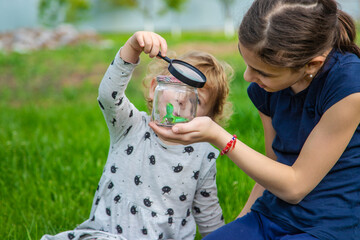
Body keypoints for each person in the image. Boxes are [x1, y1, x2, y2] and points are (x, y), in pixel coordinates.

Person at [149, 0, 360, 239]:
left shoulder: (349, 87)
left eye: (262, 72)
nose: (249, 77)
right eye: (248, 63)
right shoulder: (267, 88)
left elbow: (294, 187)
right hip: (271, 215)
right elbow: (272, 166)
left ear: (311, 64)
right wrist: (239, 224)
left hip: (329, 226)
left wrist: (219, 137)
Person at [40, 31, 234, 240]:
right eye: (176, 88)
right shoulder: (130, 125)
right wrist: (132, 48)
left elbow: (209, 218)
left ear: (209, 120)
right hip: (105, 234)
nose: (182, 101)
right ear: (154, 89)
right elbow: (108, 96)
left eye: (196, 100)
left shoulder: (203, 156)